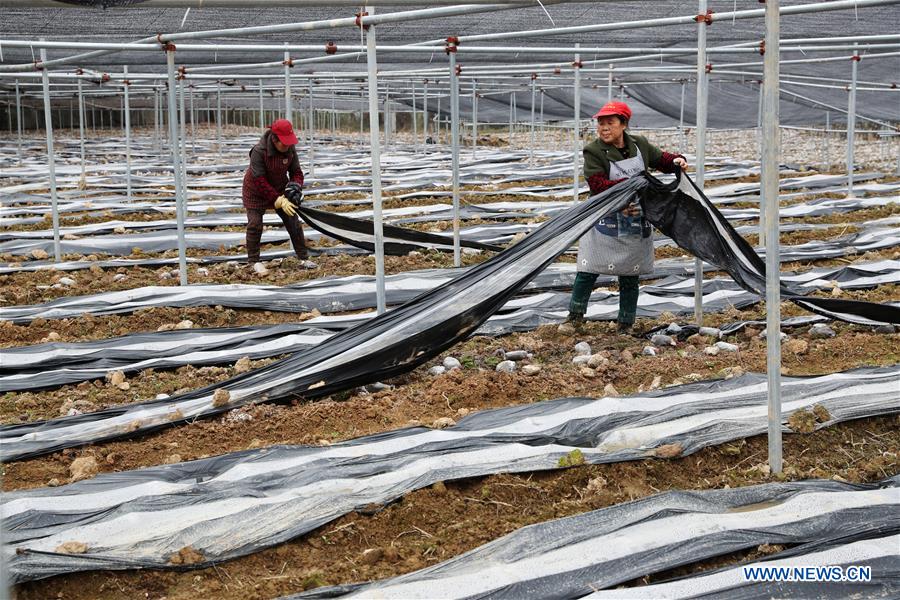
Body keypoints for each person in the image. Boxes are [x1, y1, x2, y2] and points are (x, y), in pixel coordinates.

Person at [568, 101, 687, 333]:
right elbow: (597, 184)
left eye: (610, 123)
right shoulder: (594, 150)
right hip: (605, 214)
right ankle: (574, 316)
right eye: (600, 123)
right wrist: (630, 187)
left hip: (636, 216)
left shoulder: (639, 145)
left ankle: (626, 322)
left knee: (630, 272)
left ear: (623, 124)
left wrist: (676, 161)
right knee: (589, 267)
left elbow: (661, 159)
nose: (603, 128)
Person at [242, 118, 309, 265]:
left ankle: (303, 258)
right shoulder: (259, 151)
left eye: (289, 143)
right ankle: (253, 262)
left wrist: (295, 186)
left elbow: (296, 172)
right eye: (284, 143)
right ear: (274, 139)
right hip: (255, 191)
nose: (287, 146)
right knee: (255, 224)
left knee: (293, 221)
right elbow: (259, 180)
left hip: (279, 188)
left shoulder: (290, 149)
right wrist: (277, 200)